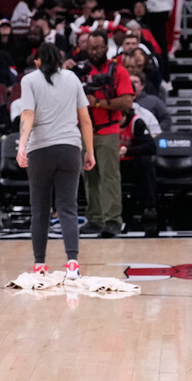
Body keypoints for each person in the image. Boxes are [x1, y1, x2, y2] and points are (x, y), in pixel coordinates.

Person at [15, 43, 95, 277]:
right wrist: (89, 151)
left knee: (40, 208)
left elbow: (27, 113)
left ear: (38, 61)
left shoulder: (29, 80)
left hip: (40, 150)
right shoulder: (72, 79)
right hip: (70, 148)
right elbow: (85, 119)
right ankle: (72, 263)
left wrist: (21, 145)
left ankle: (40, 264)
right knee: (68, 207)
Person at [80, 30, 134, 238]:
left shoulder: (117, 71)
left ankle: (112, 220)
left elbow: (127, 102)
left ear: (106, 48)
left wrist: (100, 103)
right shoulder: (81, 71)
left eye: (98, 48)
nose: (94, 51)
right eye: (90, 48)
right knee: (90, 177)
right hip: (85, 131)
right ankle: (94, 218)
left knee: (109, 177)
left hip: (107, 130)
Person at [117, 108, 157, 227]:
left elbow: (151, 147)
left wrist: (128, 150)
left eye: (119, 118)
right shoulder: (106, 123)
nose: (117, 121)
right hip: (112, 164)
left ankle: (150, 207)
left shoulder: (136, 122)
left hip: (130, 164)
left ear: (125, 115)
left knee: (145, 161)